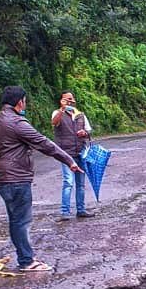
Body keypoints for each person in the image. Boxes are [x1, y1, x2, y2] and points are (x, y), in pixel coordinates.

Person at [0, 86, 83, 273]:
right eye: (25, 101)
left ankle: (24, 256)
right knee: (21, 220)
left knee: (15, 219)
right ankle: (27, 261)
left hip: (1, 179)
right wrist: (69, 160)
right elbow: (44, 143)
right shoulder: (18, 123)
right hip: (16, 178)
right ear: (20, 102)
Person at [50, 91, 94, 219]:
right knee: (68, 182)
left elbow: (89, 130)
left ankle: (81, 209)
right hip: (66, 153)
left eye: (71, 99)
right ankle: (65, 212)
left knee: (81, 183)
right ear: (61, 100)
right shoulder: (57, 113)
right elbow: (54, 123)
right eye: (66, 99)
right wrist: (62, 110)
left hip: (81, 151)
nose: (69, 101)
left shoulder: (80, 115)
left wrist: (84, 133)